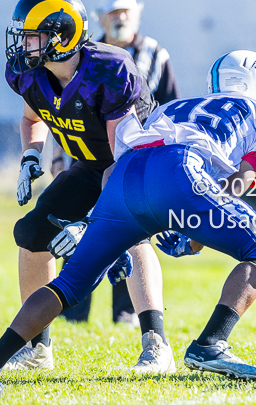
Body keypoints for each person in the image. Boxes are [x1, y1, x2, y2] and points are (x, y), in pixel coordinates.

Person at [0, 49, 256, 382]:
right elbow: (237, 183)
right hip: (178, 171)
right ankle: (210, 344)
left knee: (69, 285)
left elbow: (113, 170)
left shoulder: (174, 108)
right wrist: (195, 234)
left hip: (124, 173)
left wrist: (103, 224)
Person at [4, 0, 173, 373]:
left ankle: (156, 346)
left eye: (32, 37)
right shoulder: (29, 72)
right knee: (32, 232)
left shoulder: (109, 70)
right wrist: (32, 156)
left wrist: (91, 224)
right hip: (92, 163)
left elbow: (122, 161)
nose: (21, 46)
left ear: (61, 37)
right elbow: (33, 115)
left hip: (138, 164)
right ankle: (37, 348)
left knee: (130, 235)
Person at [54, 0, 181, 326]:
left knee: (131, 232)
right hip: (85, 160)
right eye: (112, 11)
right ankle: (73, 311)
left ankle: (127, 313)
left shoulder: (155, 53)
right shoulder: (81, 50)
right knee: (76, 228)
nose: (119, 17)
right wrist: (56, 158)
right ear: (99, 17)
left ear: (137, 11)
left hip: (134, 163)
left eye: (124, 10)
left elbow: (169, 109)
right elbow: (56, 109)